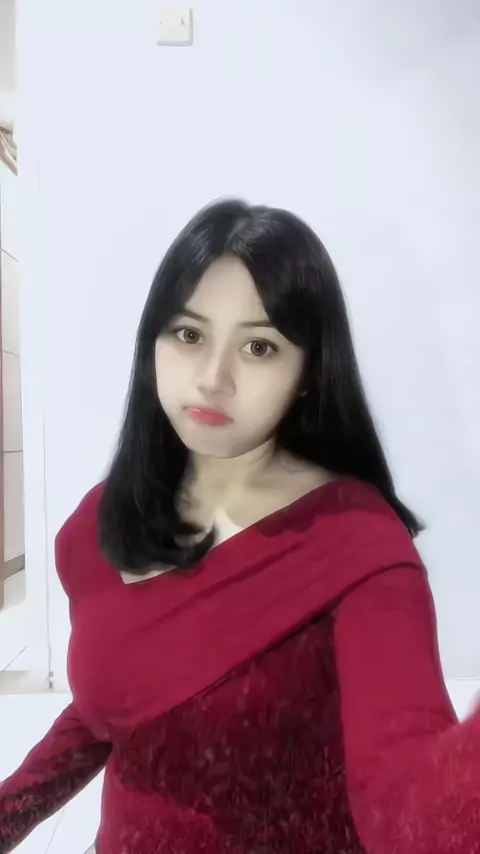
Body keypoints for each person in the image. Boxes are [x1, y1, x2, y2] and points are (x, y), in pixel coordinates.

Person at [0, 199, 479, 854]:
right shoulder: (104, 518)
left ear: (308, 373)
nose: (212, 379)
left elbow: (408, 809)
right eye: (188, 334)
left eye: (259, 347)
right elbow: (111, 704)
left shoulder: (360, 547)